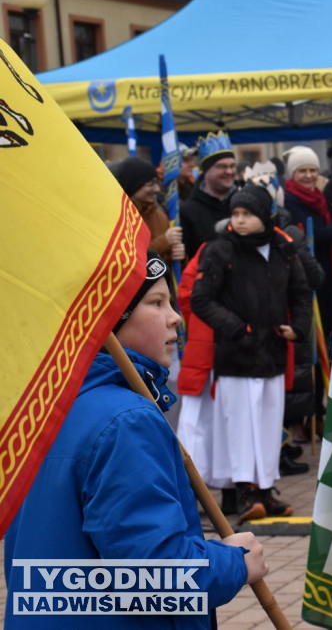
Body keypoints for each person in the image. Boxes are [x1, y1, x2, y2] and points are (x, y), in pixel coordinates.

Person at [3, 251, 269, 629]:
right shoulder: (127, 421)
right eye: (156, 303)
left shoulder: (43, 407)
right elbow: (155, 574)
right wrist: (234, 563)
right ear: (110, 322)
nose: (175, 317)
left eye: (171, 302)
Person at [190, 184, 312, 522]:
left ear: (264, 217)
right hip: (236, 357)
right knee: (239, 426)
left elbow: (301, 292)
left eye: (247, 214)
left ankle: (262, 489)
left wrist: (298, 328)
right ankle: (241, 491)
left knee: (268, 426)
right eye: (235, 214)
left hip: (271, 353)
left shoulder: (283, 250)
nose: (240, 220)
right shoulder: (220, 250)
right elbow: (201, 298)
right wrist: (235, 328)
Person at [282, 145, 332, 336]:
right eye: (302, 171)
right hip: (309, 272)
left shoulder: (318, 196)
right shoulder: (290, 200)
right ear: (293, 173)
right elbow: (315, 237)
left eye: (313, 170)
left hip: (326, 267)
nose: (309, 175)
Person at [112, 156, 185, 264]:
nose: (157, 189)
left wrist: (179, 256)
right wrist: (164, 241)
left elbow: (166, 262)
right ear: (133, 186)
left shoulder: (160, 217)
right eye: (151, 184)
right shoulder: (118, 217)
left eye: (157, 183)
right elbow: (127, 257)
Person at [180, 131, 237, 259]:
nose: (229, 171)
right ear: (206, 170)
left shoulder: (244, 203)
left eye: (232, 166)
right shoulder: (187, 211)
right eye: (221, 166)